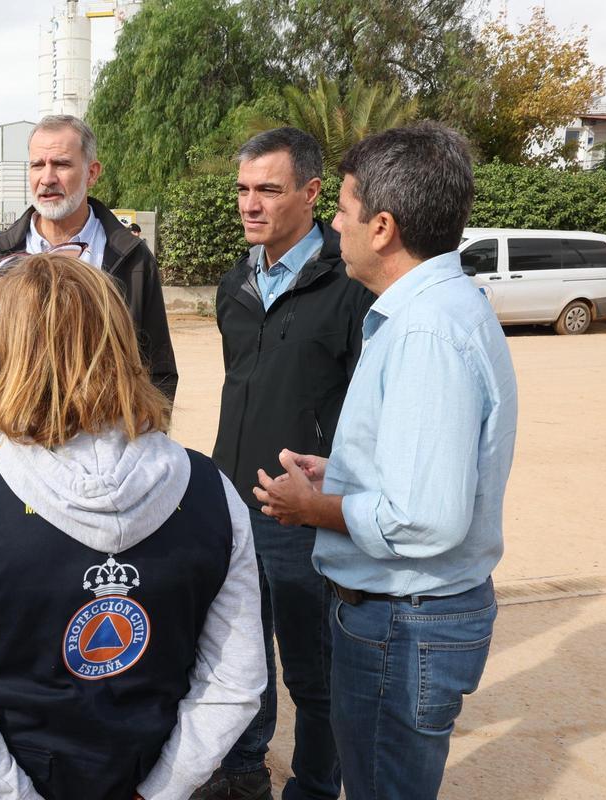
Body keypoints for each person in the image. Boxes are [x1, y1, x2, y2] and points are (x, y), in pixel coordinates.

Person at [0, 252, 265, 800]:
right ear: (123, 342)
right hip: (150, 776)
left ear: (7, 352)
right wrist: (161, 789)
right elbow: (233, 680)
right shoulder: (213, 492)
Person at [253, 122, 517, 800]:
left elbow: (426, 518)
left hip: (405, 622)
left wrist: (315, 507)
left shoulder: (426, 330)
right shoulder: (433, 311)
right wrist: (340, 473)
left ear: (382, 228)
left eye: (343, 209)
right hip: (407, 618)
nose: (335, 225)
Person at [202, 128, 372, 800]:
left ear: (310, 193)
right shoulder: (233, 284)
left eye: (268, 190)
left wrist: (326, 492)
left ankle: (314, 785)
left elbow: (367, 409)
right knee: (239, 658)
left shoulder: (349, 285)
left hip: (301, 516)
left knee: (312, 671)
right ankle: (246, 771)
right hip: (231, 506)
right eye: (243, 189)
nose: (251, 204)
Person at [0, 114, 177, 444]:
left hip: (106, 450)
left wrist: (145, 446)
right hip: (14, 449)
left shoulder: (130, 257)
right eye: (37, 165)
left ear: (92, 172)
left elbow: (157, 367)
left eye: (61, 164)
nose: (47, 178)